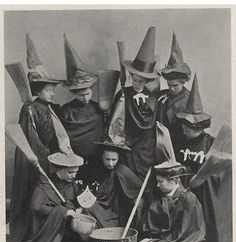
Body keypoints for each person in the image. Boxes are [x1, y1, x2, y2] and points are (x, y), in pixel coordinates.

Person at [9, 34, 72, 242]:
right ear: (37, 91)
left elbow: (56, 135)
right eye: (48, 89)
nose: (53, 93)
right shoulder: (30, 110)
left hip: (49, 157)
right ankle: (30, 235)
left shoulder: (48, 109)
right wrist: (46, 158)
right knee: (32, 196)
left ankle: (48, 234)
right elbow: (31, 139)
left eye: (53, 89)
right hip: (34, 160)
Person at [175, 74, 232, 242]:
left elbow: (224, 169)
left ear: (199, 127)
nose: (184, 130)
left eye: (188, 128)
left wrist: (204, 177)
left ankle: (209, 239)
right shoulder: (181, 142)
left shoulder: (211, 143)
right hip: (186, 188)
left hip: (206, 190)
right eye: (183, 126)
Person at [7, 151, 90, 242]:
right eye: (70, 172)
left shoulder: (70, 183)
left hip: (63, 231)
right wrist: (63, 213)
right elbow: (37, 207)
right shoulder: (44, 185)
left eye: (76, 172)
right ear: (58, 170)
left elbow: (70, 200)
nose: (74, 176)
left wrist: (77, 209)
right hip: (46, 233)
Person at [132, 160, 207, 242]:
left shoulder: (189, 199)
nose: (157, 185)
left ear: (173, 180)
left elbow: (189, 234)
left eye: (160, 182)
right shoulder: (167, 195)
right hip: (172, 239)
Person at [107, 27, 161, 182]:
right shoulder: (124, 94)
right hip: (126, 145)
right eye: (135, 79)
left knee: (145, 182)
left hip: (145, 149)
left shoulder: (152, 98)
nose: (137, 83)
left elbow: (151, 125)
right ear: (131, 76)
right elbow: (115, 121)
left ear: (147, 81)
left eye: (141, 81)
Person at [77, 139, 145, 228]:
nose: (110, 163)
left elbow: (139, 189)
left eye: (114, 160)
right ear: (102, 156)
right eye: (107, 159)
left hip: (115, 207)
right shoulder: (94, 168)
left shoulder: (122, 170)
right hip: (98, 203)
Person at [60, 35, 104, 165]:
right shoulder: (66, 110)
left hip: (95, 157)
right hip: (73, 158)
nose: (86, 98)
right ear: (74, 93)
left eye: (88, 93)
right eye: (81, 95)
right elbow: (63, 136)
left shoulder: (97, 107)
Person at [157, 32, 191, 148]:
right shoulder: (162, 95)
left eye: (175, 85)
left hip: (180, 144)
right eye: (169, 84)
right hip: (160, 142)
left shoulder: (189, 99)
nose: (171, 88)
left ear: (183, 81)